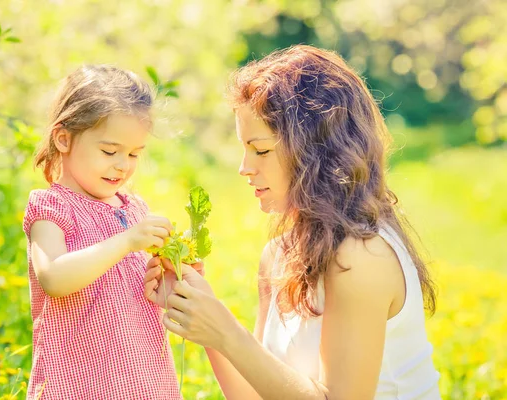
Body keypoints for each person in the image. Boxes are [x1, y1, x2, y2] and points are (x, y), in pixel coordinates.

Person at [144, 45, 441, 399]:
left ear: (315, 149)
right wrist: (204, 315)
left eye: (261, 149)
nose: (244, 167)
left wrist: (225, 331)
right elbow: (254, 395)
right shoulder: (279, 254)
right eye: (244, 148)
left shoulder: (361, 258)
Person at [22, 64, 181, 399]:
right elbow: (54, 277)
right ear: (63, 139)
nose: (122, 164)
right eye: (110, 151)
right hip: (77, 385)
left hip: (142, 381)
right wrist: (126, 241)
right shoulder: (52, 208)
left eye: (134, 153)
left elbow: (138, 294)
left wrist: (170, 283)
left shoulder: (133, 210)